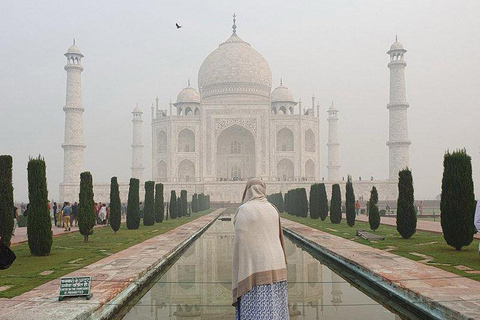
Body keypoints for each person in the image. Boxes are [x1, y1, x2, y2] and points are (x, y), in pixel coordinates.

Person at [232, 178, 289, 320]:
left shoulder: (244, 210)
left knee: (256, 307)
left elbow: (240, 241)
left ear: (247, 191)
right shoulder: (272, 209)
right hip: (277, 264)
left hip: (254, 267)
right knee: (276, 304)